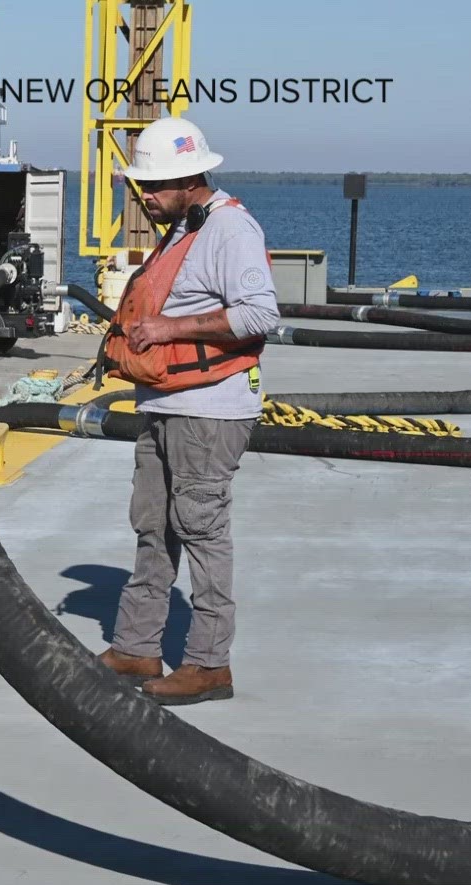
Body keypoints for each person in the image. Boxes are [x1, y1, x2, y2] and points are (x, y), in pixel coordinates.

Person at [95, 116, 279, 706]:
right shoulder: (181, 228)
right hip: (167, 404)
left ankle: (208, 664)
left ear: (191, 177)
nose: (144, 196)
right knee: (153, 525)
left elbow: (259, 315)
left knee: (202, 530)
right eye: (141, 186)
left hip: (208, 411)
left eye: (153, 186)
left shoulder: (230, 230)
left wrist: (171, 327)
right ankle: (137, 644)